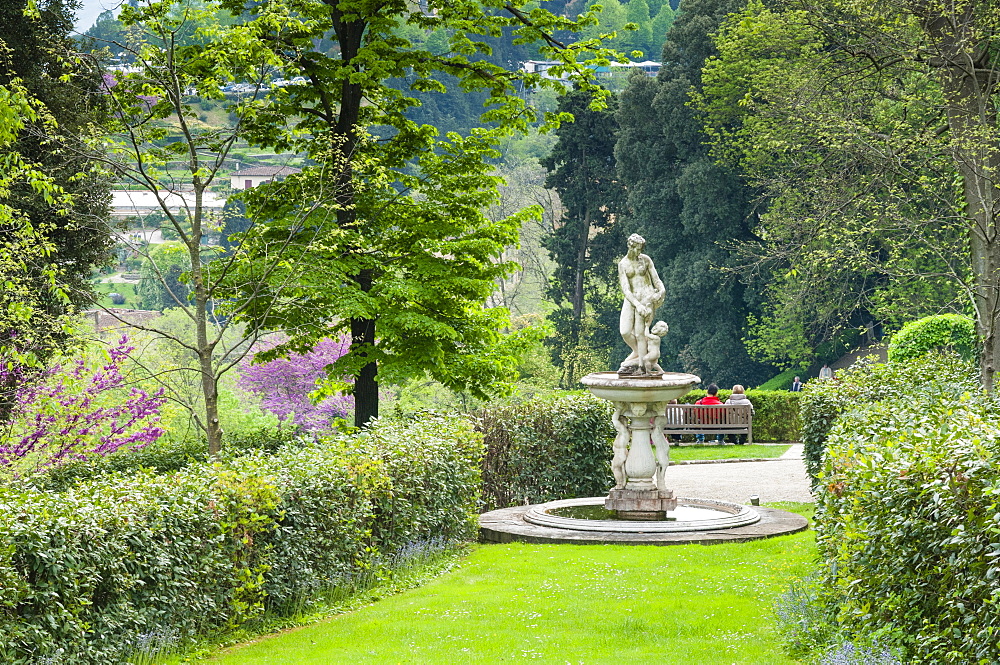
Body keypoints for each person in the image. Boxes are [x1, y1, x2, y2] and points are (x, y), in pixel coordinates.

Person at [618, 234, 666, 374]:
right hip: (632, 299)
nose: (639, 252)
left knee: (640, 333)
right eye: (637, 249)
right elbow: (626, 289)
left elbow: (657, 280)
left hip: (647, 298)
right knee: (625, 331)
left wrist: (661, 291)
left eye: (641, 249)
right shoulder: (623, 264)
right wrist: (637, 305)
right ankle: (639, 353)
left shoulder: (645, 260)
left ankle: (640, 364)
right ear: (630, 247)